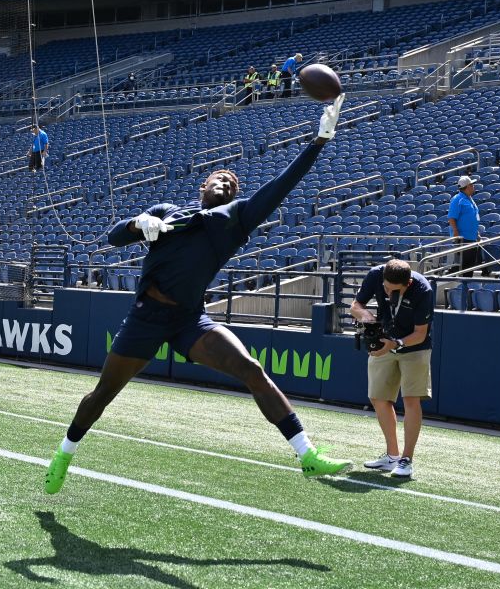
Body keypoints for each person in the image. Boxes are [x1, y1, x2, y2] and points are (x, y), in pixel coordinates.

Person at [44, 94, 352, 494]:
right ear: (202, 185)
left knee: (251, 370)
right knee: (102, 394)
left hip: (189, 318)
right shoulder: (168, 210)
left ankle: (307, 453)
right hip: (146, 316)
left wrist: (318, 141)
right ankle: (64, 454)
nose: (226, 182)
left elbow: (281, 186)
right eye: (219, 178)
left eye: (233, 182)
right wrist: (139, 224)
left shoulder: (234, 220)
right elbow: (114, 236)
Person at [349, 258, 435, 479]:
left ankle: (407, 460)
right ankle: (392, 456)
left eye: (392, 290)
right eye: (385, 287)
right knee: (378, 398)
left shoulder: (423, 289)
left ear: (407, 283)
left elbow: (420, 334)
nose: (386, 292)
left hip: (414, 347)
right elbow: (355, 306)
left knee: (411, 400)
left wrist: (396, 344)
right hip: (385, 341)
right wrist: (368, 319)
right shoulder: (376, 274)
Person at [447, 175, 481, 273]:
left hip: (472, 237)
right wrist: (456, 232)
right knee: (464, 265)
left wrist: (476, 232)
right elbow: (451, 218)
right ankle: (458, 283)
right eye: (472, 185)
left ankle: (465, 286)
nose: (473, 186)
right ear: (468, 186)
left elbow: (472, 218)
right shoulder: (458, 199)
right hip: (463, 238)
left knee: (470, 266)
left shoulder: (469, 199)